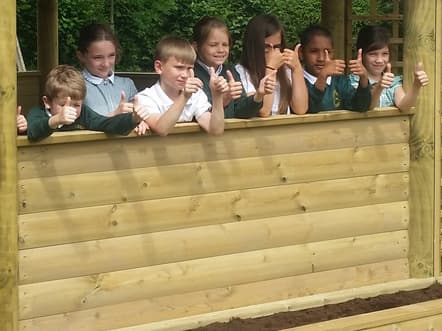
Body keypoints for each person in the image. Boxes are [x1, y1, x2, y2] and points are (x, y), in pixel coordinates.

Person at [136, 36, 229, 136]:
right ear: (159, 67)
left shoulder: (196, 95)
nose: (185, 74)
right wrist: (184, 97)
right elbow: (161, 129)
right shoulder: (145, 97)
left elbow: (215, 131)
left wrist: (217, 96)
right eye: (179, 67)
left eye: (189, 68)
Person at [26, 65, 142, 142]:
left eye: (76, 105)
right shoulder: (37, 113)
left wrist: (133, 119)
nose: (71, 110)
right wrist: (56, 120)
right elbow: (32, 132)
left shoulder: (84, 113)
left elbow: (105, 123)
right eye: (63, 105)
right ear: (47, 102)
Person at [192, 16, 275, 119]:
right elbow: (196, 116)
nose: (221, 50)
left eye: (225, 45)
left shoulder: (230, 71)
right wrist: (224, 100)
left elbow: (242, 112)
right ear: (196, 47)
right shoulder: (190, 73)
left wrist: (258, 96)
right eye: (213, 45)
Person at [235, 14, 308, 117]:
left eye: (277, 46)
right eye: (266, 47)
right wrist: (270, 69)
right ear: (254, 46)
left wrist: (297, 69)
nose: (273, 52)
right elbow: (264, 111)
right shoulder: (241, 72)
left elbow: (301, 109)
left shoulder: (285, 71)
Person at [351, 25, 429, 111]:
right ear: (361, 54)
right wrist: (379, 87)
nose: (379, 60)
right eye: (373, 54)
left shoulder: (392, 81)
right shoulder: (353, 81)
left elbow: (404, 106)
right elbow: (365, 106)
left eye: (384, 54)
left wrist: (416, 85)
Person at [300, 24, 371, 113]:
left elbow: (361, 107)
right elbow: (309, 109)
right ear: (301, 53)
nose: (321, 58)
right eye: (314, 51)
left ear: (333, 53)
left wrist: (363, 77)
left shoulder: (339, 81)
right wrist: (322, 76)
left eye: (328, 52)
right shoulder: (298, 81)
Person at [76, 23, 139, 118]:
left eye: (111, 55)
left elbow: (138, 116)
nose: (106, 63)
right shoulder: (74, 86)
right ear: (81, 56)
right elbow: (72, 125)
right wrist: (114, 115)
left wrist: (142, 121)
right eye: (98, 57)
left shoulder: (127, 85)